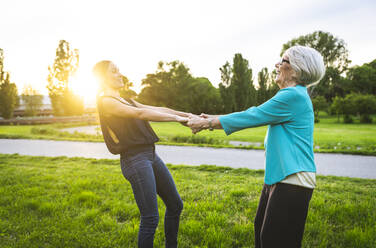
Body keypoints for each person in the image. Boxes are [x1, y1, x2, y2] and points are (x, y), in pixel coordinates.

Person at [187, 45, 325, 248]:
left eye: (283, 61)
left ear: (296, 69)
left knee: (274, 241)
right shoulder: (294, 95)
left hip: (293, 180)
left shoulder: (293, 96)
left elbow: (252, 115)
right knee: (263, 235)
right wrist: (212, 119)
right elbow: (252, 114)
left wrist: (207, 123)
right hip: (279, 178)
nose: (277, 65)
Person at [93, 60, 190, 248]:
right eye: (114, 71)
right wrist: (177, 119)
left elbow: (156, 109)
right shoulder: (106, 102)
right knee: (150, 218)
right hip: (134, 161)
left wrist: (187, 115)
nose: (120, 74)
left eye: (119, 69)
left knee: (175, 205)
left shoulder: (126, 100)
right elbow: (141, 114)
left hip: (151, 155)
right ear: (102, 78)